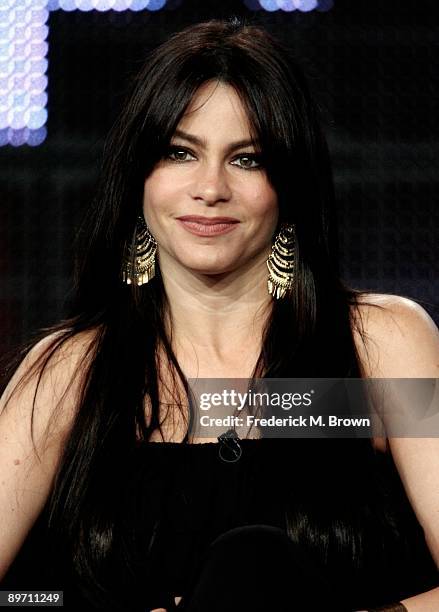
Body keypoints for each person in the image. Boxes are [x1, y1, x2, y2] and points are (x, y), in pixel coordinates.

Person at [0, 18, 438, 612]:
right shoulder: (69, 375)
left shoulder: (379, 347)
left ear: (289, 184)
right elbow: (22, 599)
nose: (210, 187)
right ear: (139, 177)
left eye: (248, 159)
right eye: (179, 152)